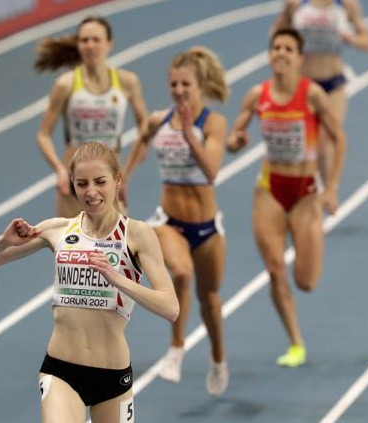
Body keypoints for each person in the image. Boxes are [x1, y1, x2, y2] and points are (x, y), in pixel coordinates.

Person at [0, 142, 178, 422]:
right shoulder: (57, 229)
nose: (91, 192)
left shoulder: (137, 234)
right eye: (82, 184)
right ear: (72, 184)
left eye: (100, 182)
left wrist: (117, 279)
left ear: (118, 180)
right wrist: (2, 242)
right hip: (61, 370)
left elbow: (170, 308)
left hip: (112, 376)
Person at [227, 28, 346, 368]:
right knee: (275, 268)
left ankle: (310, 245)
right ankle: (296, 342)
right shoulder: (257, 95)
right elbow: (235, 136)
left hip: (306, 193)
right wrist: (235, 143)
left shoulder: (312, 95)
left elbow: (339, 139)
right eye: (275, 47)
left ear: (300, 58)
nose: (280, 53)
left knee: (306, 281)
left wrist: (332, 187)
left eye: (288, 49)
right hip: (270, 189)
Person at [122, 47, 230, 395]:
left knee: (210, 299)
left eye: (186, 84)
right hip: (169, 220)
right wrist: (123, 178)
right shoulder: (159, 120)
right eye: (174, 85)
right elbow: (142, 139)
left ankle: (218, 358)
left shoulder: (212, 123)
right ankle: (176, 348)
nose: (179, 91)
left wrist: (187, 135)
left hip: (207, 227)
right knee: (181, 272)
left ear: (200, 86)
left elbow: (211, 171)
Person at [35, 15, 149, 218]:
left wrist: (128, 171)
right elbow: (43, 134)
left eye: (96, 39)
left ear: (109, 44)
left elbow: (145, 128)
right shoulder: (66, 84)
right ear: (78, 45)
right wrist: (59, 170)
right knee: (72, 239)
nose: (90, 45)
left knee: (118, 238)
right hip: (74, 184)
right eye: (84, 40)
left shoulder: (127, 82)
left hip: (109, 180)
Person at [271, 0, 368, 187]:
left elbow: (367, 42)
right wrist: (288, 44)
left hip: (333, 84)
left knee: (326, 143)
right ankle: (305, 189)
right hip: (303, 84)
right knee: (301, 144)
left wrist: (349, 38)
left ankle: (328, 191)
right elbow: (276, 33)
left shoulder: (347, 4)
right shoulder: (295, 3)